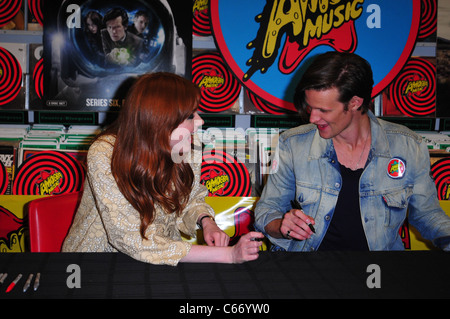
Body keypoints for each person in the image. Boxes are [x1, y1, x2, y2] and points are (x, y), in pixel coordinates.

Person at [254, 51, 450, 252]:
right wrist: (281, 225)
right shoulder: (292, 144)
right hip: (309, 271)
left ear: (355, 103)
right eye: (310, 108)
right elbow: (267, 210)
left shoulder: (409, 146)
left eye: (324, 110)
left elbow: (427, 214)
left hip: (379, 274)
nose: (312, 118)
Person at [62, 72, 263, 264]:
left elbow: (191, 199)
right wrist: (228, 255)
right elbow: (132, 239)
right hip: (96, 264)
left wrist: (206, 221)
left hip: (159, 260)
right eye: (191, 116)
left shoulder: (187, 147)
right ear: (160, 121)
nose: (200, 121)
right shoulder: (105, 153)